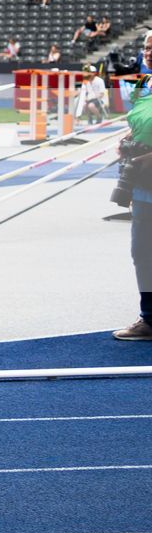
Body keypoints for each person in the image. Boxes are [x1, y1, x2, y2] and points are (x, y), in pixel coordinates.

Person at [118, 86, 152, 341]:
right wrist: (128, 140)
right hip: (142, 184)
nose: (149, 52)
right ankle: (149, 318)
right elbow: (138, 123)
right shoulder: (146, 85)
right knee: (142, 252)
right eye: (147, 47)